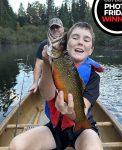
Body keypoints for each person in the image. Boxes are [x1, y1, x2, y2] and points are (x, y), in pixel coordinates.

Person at [9, 22, 104, 150]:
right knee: (17, 145)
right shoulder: (56, 65)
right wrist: (47, 64)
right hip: (56, 128)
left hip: (83, 129)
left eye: (86, 40)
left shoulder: (93, 78)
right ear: (67, 45)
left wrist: (70, 113)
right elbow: (47, 95)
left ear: (91, 50)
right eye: (75, 38)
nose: (80, 42)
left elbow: (83, 111)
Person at [29, 18, 64, 93]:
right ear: (49, 30)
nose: (55, 29)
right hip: (49, 81)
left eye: (57, 27)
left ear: (63, 28)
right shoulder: (44, 45)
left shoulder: (70, 42)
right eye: (52, 28)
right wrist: (35, 83)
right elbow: (38, 65)